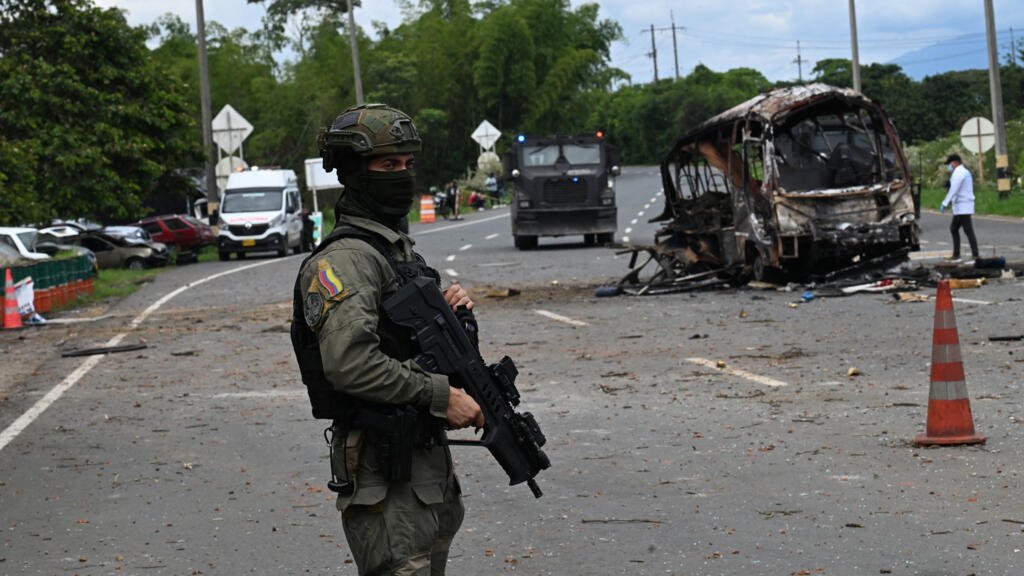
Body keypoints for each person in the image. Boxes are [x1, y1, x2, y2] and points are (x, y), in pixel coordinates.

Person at [293, 103, 484, 576]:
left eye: (407, 164)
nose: (401, 176)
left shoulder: (395, 252)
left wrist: (452, 320)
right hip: (385, 469)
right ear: (357, 173)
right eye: (387, 166)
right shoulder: (347, 261)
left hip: (422, 468)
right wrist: (440, 395)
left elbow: (404, 344)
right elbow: (350, 362)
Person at [940, 153, 980, 262]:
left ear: (955, 162)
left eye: (950, 164)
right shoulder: (959, 172)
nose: (949, 166)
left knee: (968, 230)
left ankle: (975, 255)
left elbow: (954, 189)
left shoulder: (960, 172)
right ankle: (956, 254)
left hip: (964, 206)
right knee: (954, 228)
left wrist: (944, 203)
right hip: (960, 206)